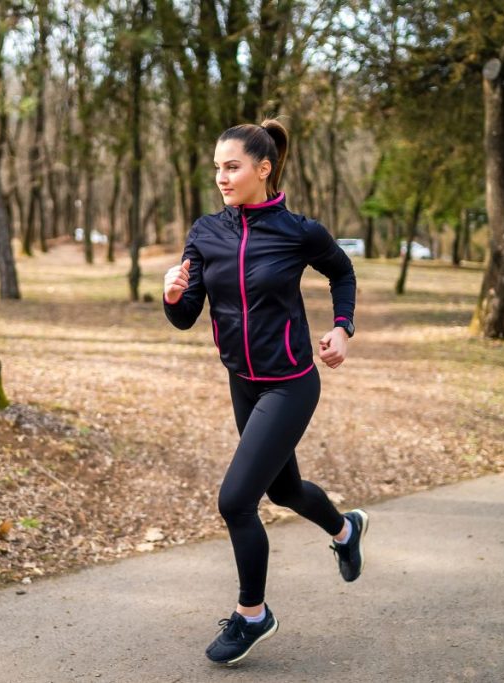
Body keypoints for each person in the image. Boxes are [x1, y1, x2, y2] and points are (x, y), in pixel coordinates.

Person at [162, 119, 369, 666]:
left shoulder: (299, 231)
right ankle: (346, 528)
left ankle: (253, 615)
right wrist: (173, 294)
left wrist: (342, 326)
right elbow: (186, 317)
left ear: (263, 168)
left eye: (232, 167)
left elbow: (341, 272)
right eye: (216, 169)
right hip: (243, 384)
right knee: (284, 491)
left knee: (235, 500)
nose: (222, 178)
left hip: (291, 383)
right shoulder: (206, 232)